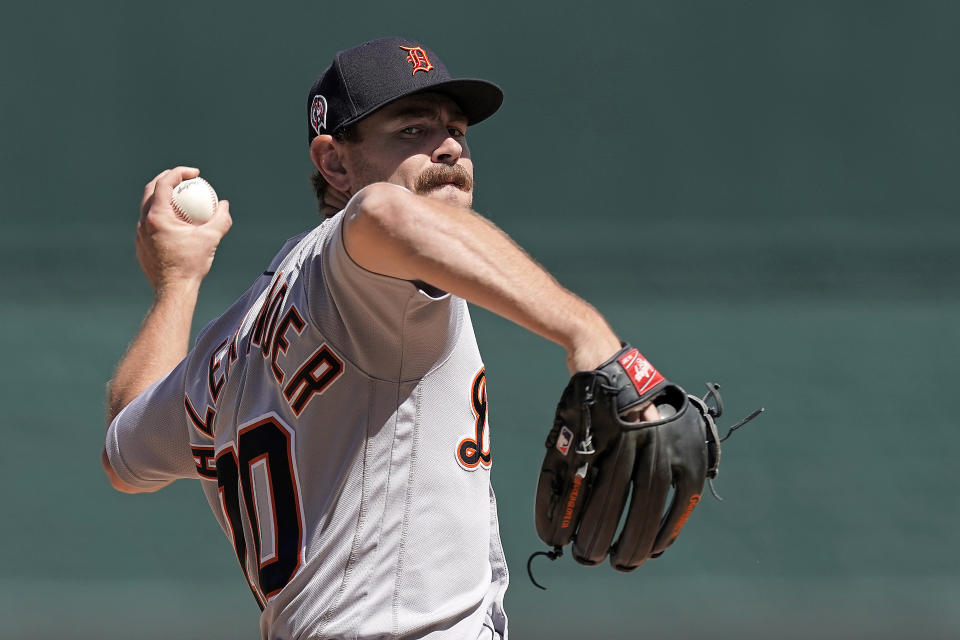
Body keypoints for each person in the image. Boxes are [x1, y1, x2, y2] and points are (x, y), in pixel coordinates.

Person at [101, 36, 658, 640]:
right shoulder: (365, 259)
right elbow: (383, 216)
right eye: (412, 129)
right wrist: (589, 335)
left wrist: (176, 283)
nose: (448, 145)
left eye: (458, 130)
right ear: (335, 163)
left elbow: (124, 447)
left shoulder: (232, 342)